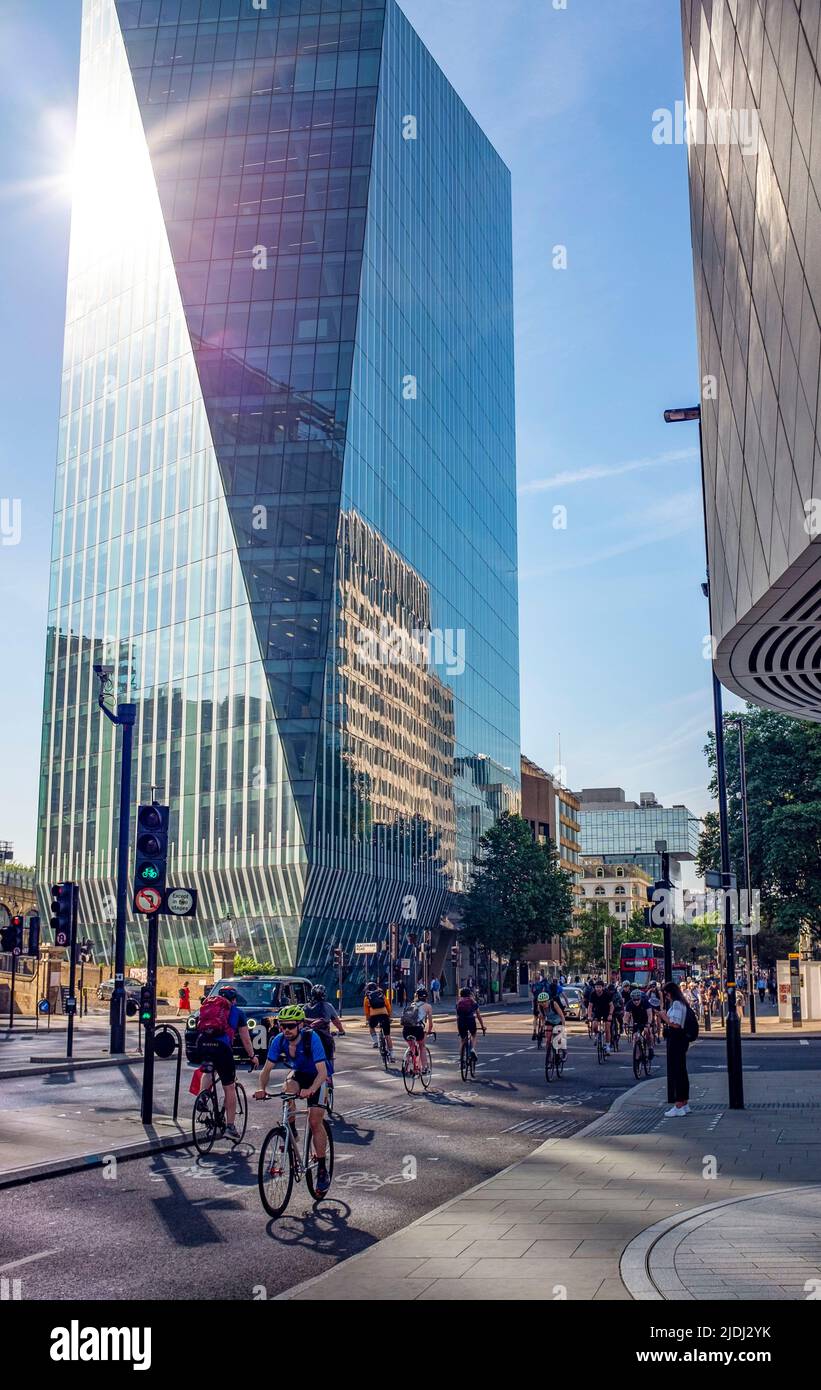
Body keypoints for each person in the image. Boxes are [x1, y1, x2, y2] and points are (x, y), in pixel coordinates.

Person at [254, 1005, 332, 1195]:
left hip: (318, 1078)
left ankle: (322, 1170)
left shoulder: (311, 1038)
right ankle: (292, 1130)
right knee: (287, 1088)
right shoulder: (279, 1040)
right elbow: (266, 1069)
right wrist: (261, 1089)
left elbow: (322, 1072)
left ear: (299, 1025)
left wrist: (311, 1089)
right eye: (282, 1026)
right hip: (299, 1074)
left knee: (315, 1122)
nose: (286, 1030)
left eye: (290, 1026)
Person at [194, 986, 258, 1137]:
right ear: (234, 999)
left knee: (209, 1070)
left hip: (203, 1044)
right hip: (222, 1048)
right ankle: (230, 1126)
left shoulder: (208, 1007)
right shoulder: (238, 1012)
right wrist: (252, 1056)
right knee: (229, 1087)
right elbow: (246, 1040)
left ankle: (202, 1097)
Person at [659, 980, 693, 1116]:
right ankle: (684, 1103)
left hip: (677, 1040)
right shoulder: (682, 1003)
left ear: (671, 993)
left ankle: (679, 1105)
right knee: (681, 1071)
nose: (666, 997)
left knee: (677, 1072)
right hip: (681, 1040)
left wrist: (664, 1017)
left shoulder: (677, 1004)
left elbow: (675, 1024)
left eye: (666, 994)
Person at [304, 984, 345, 1069]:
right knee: (328, 1059)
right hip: (324, 1038)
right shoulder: (328, 1006)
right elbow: (336, 1022)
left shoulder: (305, 1007)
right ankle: (329, 1077)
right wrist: (341, 1031)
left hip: (307, 1038)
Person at [401, 986, 434, 1071]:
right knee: (422, 1046)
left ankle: (406, 1064)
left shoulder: (412, 1004)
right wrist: (429, 1031)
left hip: (406, 1029)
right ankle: (424, 1068)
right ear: (426, 996)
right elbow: (430, 1024)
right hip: (418, 1030)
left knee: (411, 1046)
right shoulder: (428, 1006)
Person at [363, 979, 394, 1060]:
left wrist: (368, 1020)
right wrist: (389, 1017)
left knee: (371, 1027)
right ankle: (392, 1055)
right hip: (384, 1015)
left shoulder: (367, 997)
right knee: (387, 1036)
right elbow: (388, 1006)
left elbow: (366, 1012)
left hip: (374, 1016)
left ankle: (375, 1041)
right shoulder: (382, 995)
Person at [537, 978, 566, 1056]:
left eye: (545, 1001)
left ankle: (563, 1049)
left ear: (548, 1000)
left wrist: (563, 1026)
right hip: (549, 1021)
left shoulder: (554, 1004)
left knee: (558, 1040)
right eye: (541, 1002)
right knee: (548, 1039)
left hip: (558, 1021)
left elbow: (562, 1015)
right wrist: (542, 1027)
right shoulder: (540, 1007)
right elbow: (543, 1018)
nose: (544, 1004)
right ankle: (548, 1056)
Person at [455, 986, 486, 1058]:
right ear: (469, 994)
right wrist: (482, 1026)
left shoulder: (458, 1003)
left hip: (461, 1021)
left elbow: (457, 1017)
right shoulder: (473, 1002)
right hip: (470, 1020)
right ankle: (473, 1049)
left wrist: (458, 1029)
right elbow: (478, 1015)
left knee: (462, 1040)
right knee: (474, 1035)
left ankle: (461, 1060)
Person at [626, 987, 655, 1058]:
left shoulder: (645, 1002)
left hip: (646, 1019)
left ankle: (650, 1047)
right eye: (634, 1000)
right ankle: (637, 1055)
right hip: (636, 1020)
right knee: (635, 1036)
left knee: (647, 1031)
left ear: (640, 998)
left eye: (638, 999)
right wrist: (625, 1023)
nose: (636, 1001)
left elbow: (650, 1014)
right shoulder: (629, 1003)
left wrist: (648, 1023)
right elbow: (626, 1015)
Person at [587, 979, 614, 1051]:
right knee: (594, 1026)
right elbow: (590, 1006)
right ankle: (596, 1035)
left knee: (607, 1028)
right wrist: (589, 1016)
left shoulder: (607, 994)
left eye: (599, 987)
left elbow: (611, 1006)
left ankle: (608, 1045)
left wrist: (610, 1015)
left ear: (602, 987)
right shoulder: (593, 994)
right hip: (597, 1011)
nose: (598, 988)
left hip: (606, 1011)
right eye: (596, 987)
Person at [530, 971, 549, 1039]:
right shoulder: (543, 985)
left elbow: (532, 992)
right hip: (542, 1001)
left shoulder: (533, 985)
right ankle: (542, 1030)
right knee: (543, 1017)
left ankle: (534, 1031)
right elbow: (546, 992)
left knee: (535, 1017)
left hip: (535, 1001)